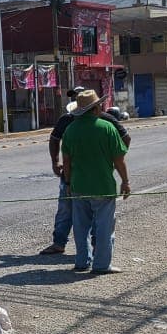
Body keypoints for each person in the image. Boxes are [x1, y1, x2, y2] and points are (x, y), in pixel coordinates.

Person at [40, 88, 130, 255]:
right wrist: (55, 163)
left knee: (83, 216)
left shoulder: (105, 121)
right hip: (77, 176)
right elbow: (54, 140)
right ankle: (66, 245)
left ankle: (87, 254)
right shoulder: (68, 121)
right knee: (79, 212)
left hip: (76, 177)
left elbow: (125, 138)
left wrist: (109, 157)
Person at [61, 89, 131, 274]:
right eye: (98, 105)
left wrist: (67, 184)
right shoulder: (106, 128)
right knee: (104, 228)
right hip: (103, 186)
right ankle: (101, 265)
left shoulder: (70, 130)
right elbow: (119, 160)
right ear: (94, 108)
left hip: (78, 186)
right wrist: (125, 182)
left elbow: (66, 161)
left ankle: (82, 261)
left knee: (81, 227)